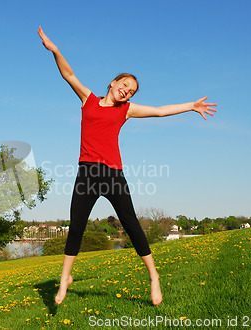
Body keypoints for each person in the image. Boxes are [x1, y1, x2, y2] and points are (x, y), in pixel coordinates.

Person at [38, 26, 217, 306]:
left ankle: (154, 276)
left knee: (132, 225)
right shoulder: (88, 100)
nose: (126, 91)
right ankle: (64, 279)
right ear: (112, 82)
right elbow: (68, 74)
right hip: (87, 173)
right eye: (124, 85)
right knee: (77, 226)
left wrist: (191, 106)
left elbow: (159, 111)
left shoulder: (126, 110)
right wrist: (56, 50)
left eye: (131, 91)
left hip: (113, 175)